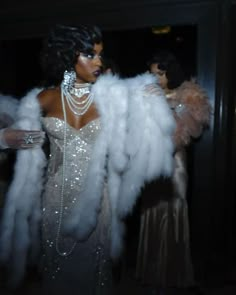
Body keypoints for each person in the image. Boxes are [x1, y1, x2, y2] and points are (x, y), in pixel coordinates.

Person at [0, 25, 175, 295]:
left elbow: (140, 145)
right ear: (68, 55)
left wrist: (150, 105)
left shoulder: (113, 97)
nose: (99, 62)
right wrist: (6, 139)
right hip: (55, 199)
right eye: (90, 55)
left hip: (96, 200)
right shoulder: (43, 98)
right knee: (56, 271)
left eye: (100, 55)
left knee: (94, 272)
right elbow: (31, 143)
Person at [135, 50, 211, 294]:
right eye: (151, 73)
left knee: (175, 210)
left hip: (175, 162)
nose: (154, 77)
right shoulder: (145, 95)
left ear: (170, 73)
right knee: (151, 211)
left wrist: (174, 105)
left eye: (159, 72)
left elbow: (196, 131)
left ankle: (175, 272)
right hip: (150, 161)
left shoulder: (186, 95)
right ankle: (150, 271)